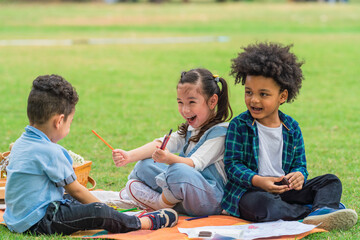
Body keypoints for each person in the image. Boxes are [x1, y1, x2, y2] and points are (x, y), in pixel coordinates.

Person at [4, 75, 178, 235]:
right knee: (97, 211)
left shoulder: (20, 143)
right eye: (70, 122)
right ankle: (142, 222)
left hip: (17, 218)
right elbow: (77, 191)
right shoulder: (51, 152)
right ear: (59, 121)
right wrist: (106, 211)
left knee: (73, 201)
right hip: (40, 221)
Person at [221, 42, 358, 231]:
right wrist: (258, 180)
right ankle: (317, 211)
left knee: (330, 181)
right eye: (249, 92)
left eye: (263, 94)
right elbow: (232, 165)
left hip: (285, 191)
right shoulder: (239, 125)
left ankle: (321, 210)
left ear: (282, 96)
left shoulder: (292, 127)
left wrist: (299, 175)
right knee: (265, 206)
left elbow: (299, 164)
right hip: (252, 192)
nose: (254, 100)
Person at [112, 68, 233, 216]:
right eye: (180, 102)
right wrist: (129, 156)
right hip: (185, 192)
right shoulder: (190, 129)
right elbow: (160, 144)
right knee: (144, 164)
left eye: (192, 102)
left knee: (177, 169)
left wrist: (169, 159)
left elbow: (194, 164)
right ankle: (171, 203)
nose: (185, 109)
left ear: (212, 101)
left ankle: (159, 203)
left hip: (209, 200)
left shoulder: (220, 133)